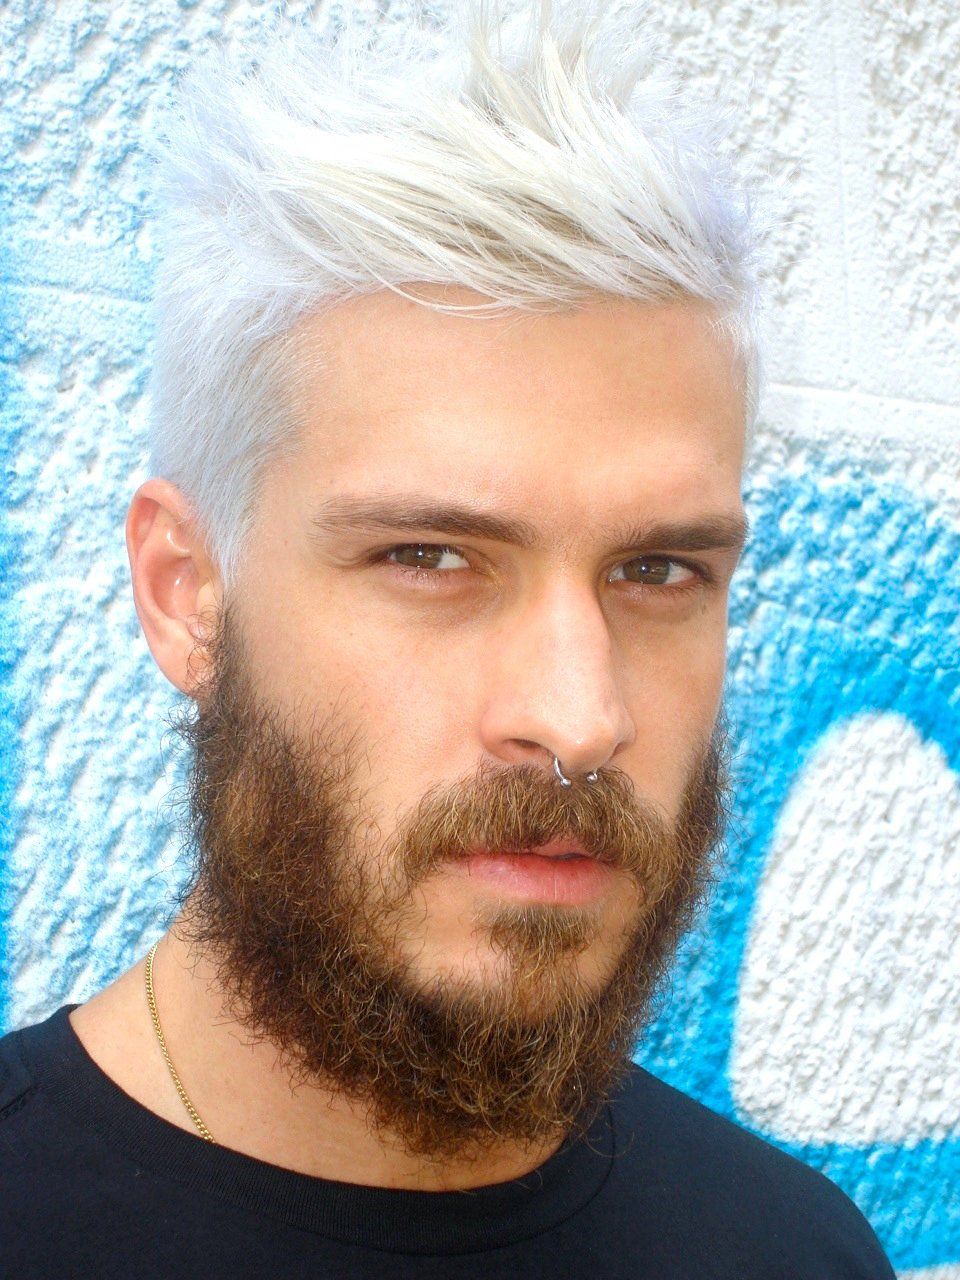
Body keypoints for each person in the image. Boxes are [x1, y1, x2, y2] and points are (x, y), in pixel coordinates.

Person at [0, 3, 895, 1275]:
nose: (580, 717)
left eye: (657, 570)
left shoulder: (796, 1251)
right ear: (186, 592)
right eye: (429, 556)